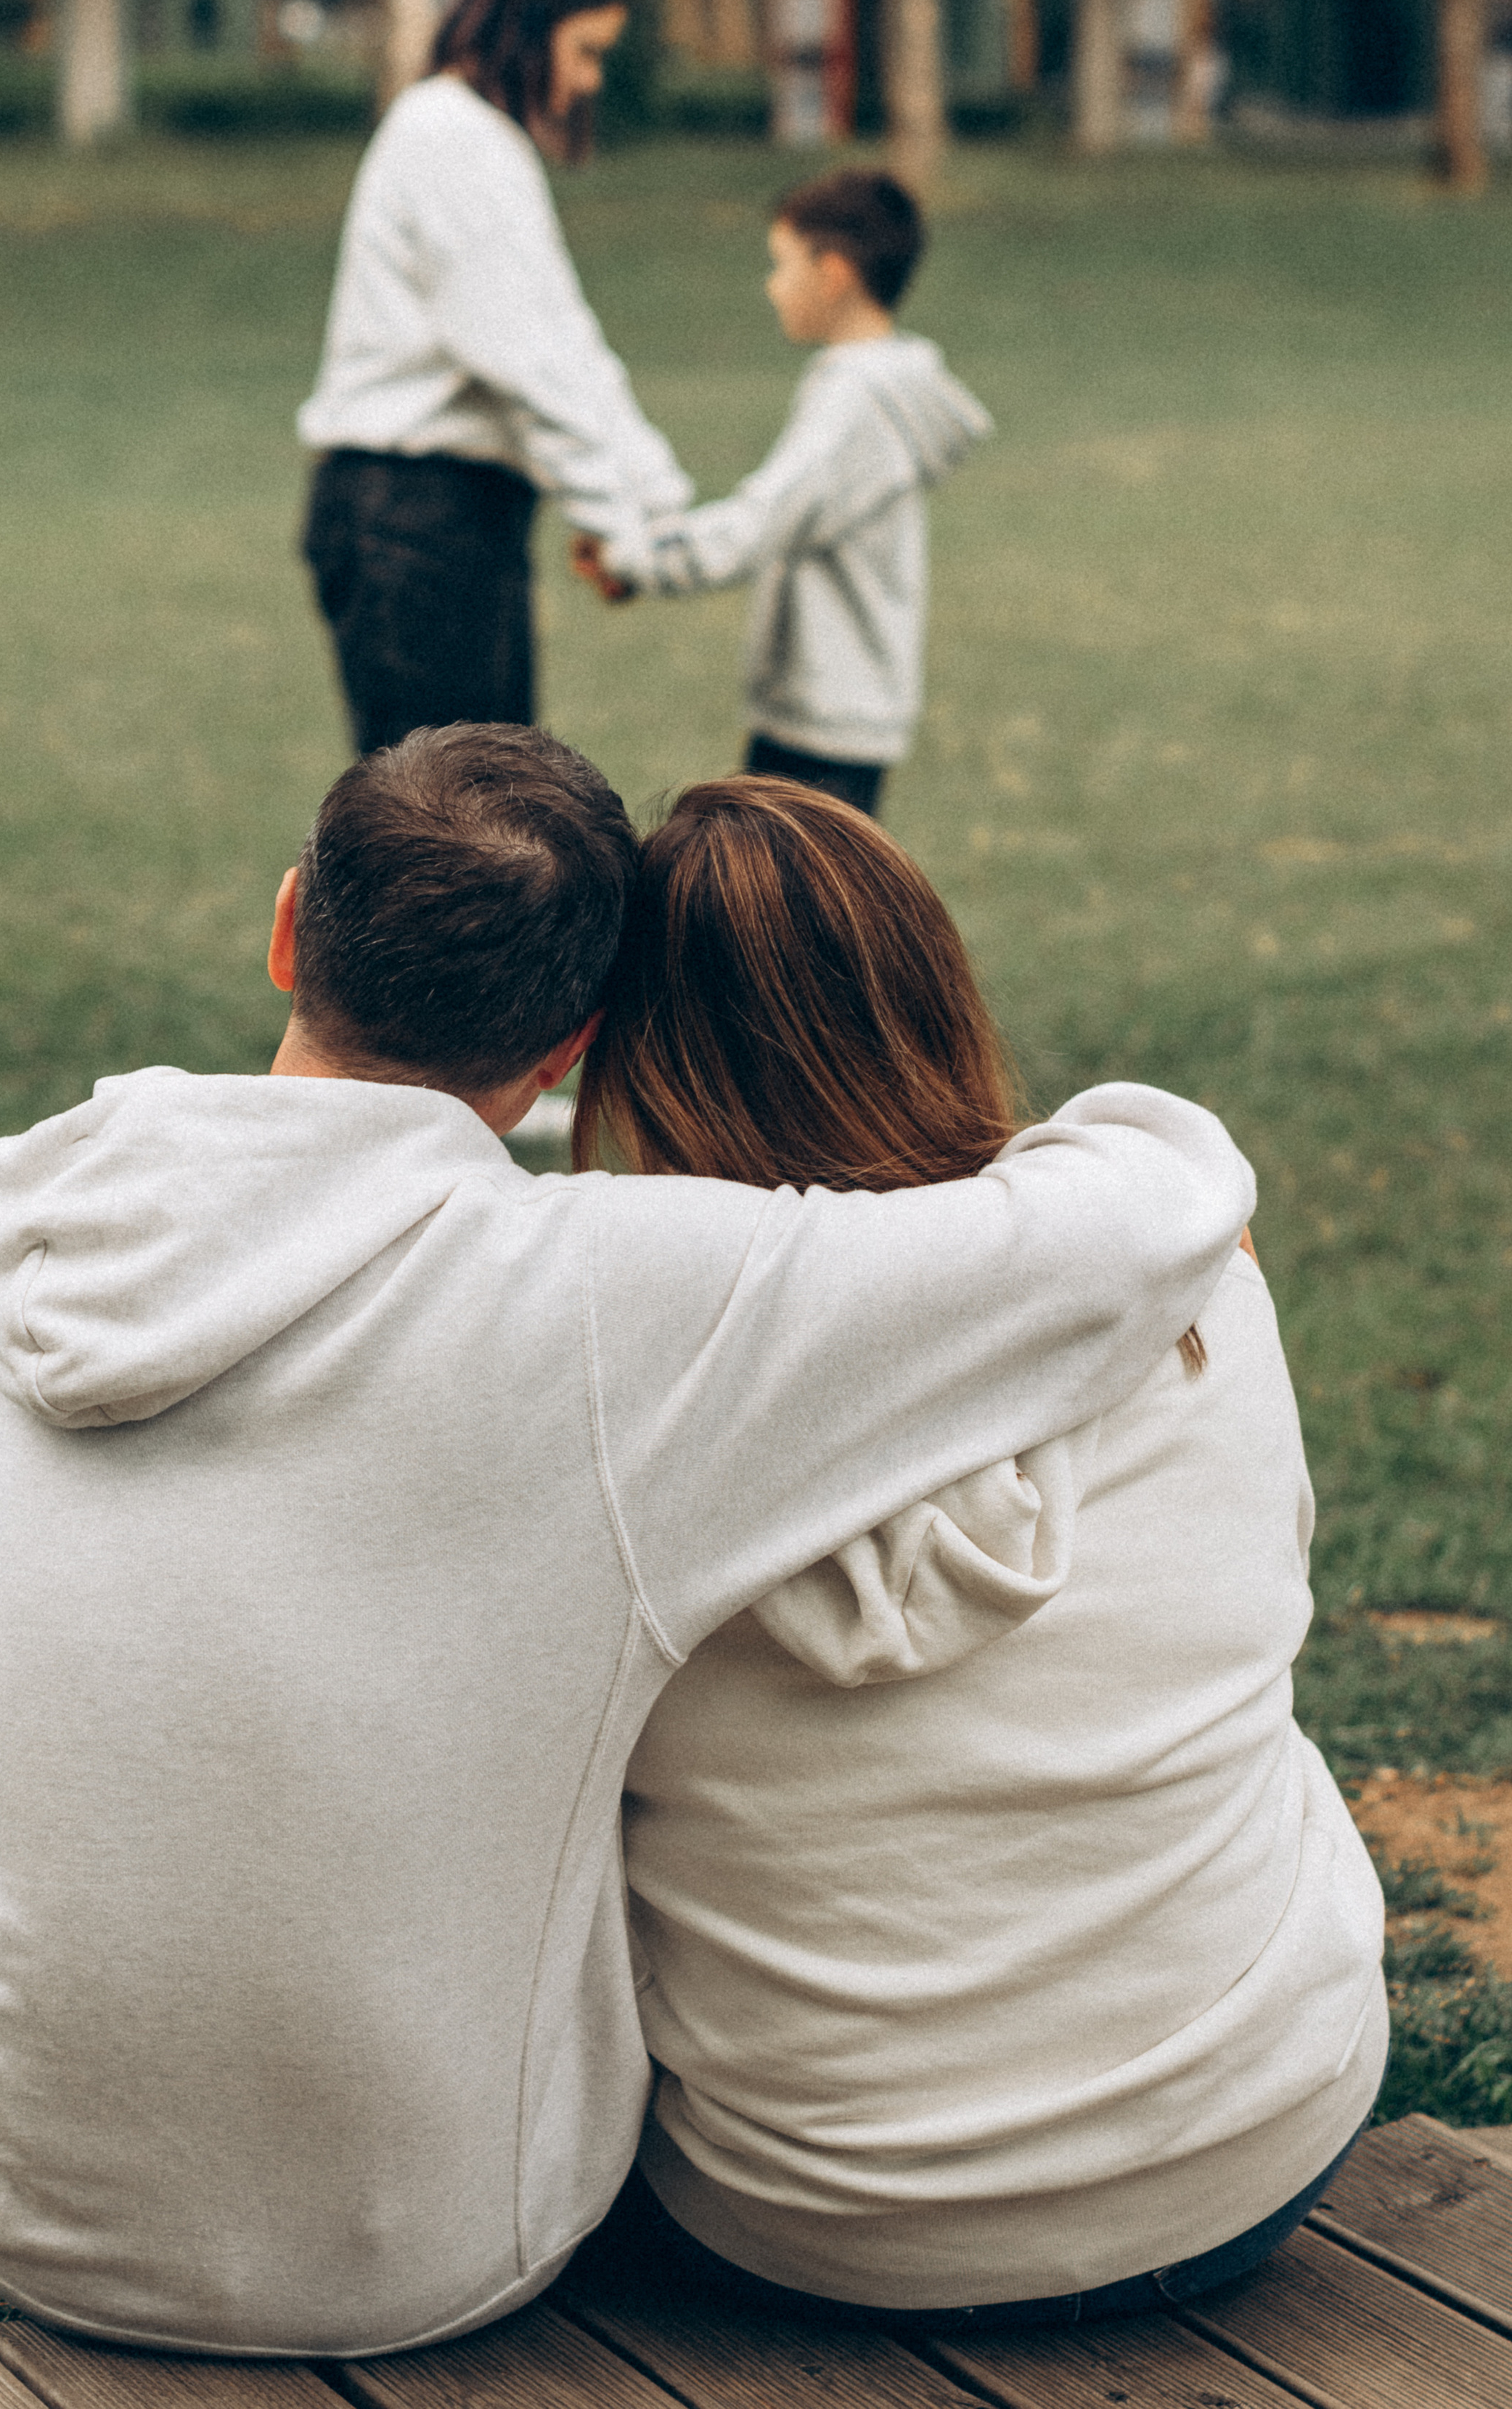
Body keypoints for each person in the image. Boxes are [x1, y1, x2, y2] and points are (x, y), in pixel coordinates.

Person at [0, 724, 1253, 2362]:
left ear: (291, 925)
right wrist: (1153, 1143)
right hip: (408, 2257)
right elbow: (1135, 1221)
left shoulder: (49, 1217)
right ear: (578, 1037)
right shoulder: (601, 1304)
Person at [568, 777, 1387, 2329]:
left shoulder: (610, 1408)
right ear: (937, 995)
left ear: (636, 1061)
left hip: (808, 2218)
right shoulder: (1200, 1281)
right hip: (1251, 2148)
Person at [298, 0, 691, 753]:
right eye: (583, 51)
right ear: (525, 28)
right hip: (408, 516)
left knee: (492, 815)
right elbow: (518, 360)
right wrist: (614, 523)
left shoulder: (484, 144)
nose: (589, 81)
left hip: (456, 521)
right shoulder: (447, 136)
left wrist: (655, 502)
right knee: (440, 842)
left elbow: (567, 341)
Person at [574, 169, 989, 817]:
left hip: (826, 724)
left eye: (783, 265)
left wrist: (632, 557)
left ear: (834, 274)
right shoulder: (872, 388)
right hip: (831, 710)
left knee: (788, 914)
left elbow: (759, 525)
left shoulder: (858, 400)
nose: (772, 286)